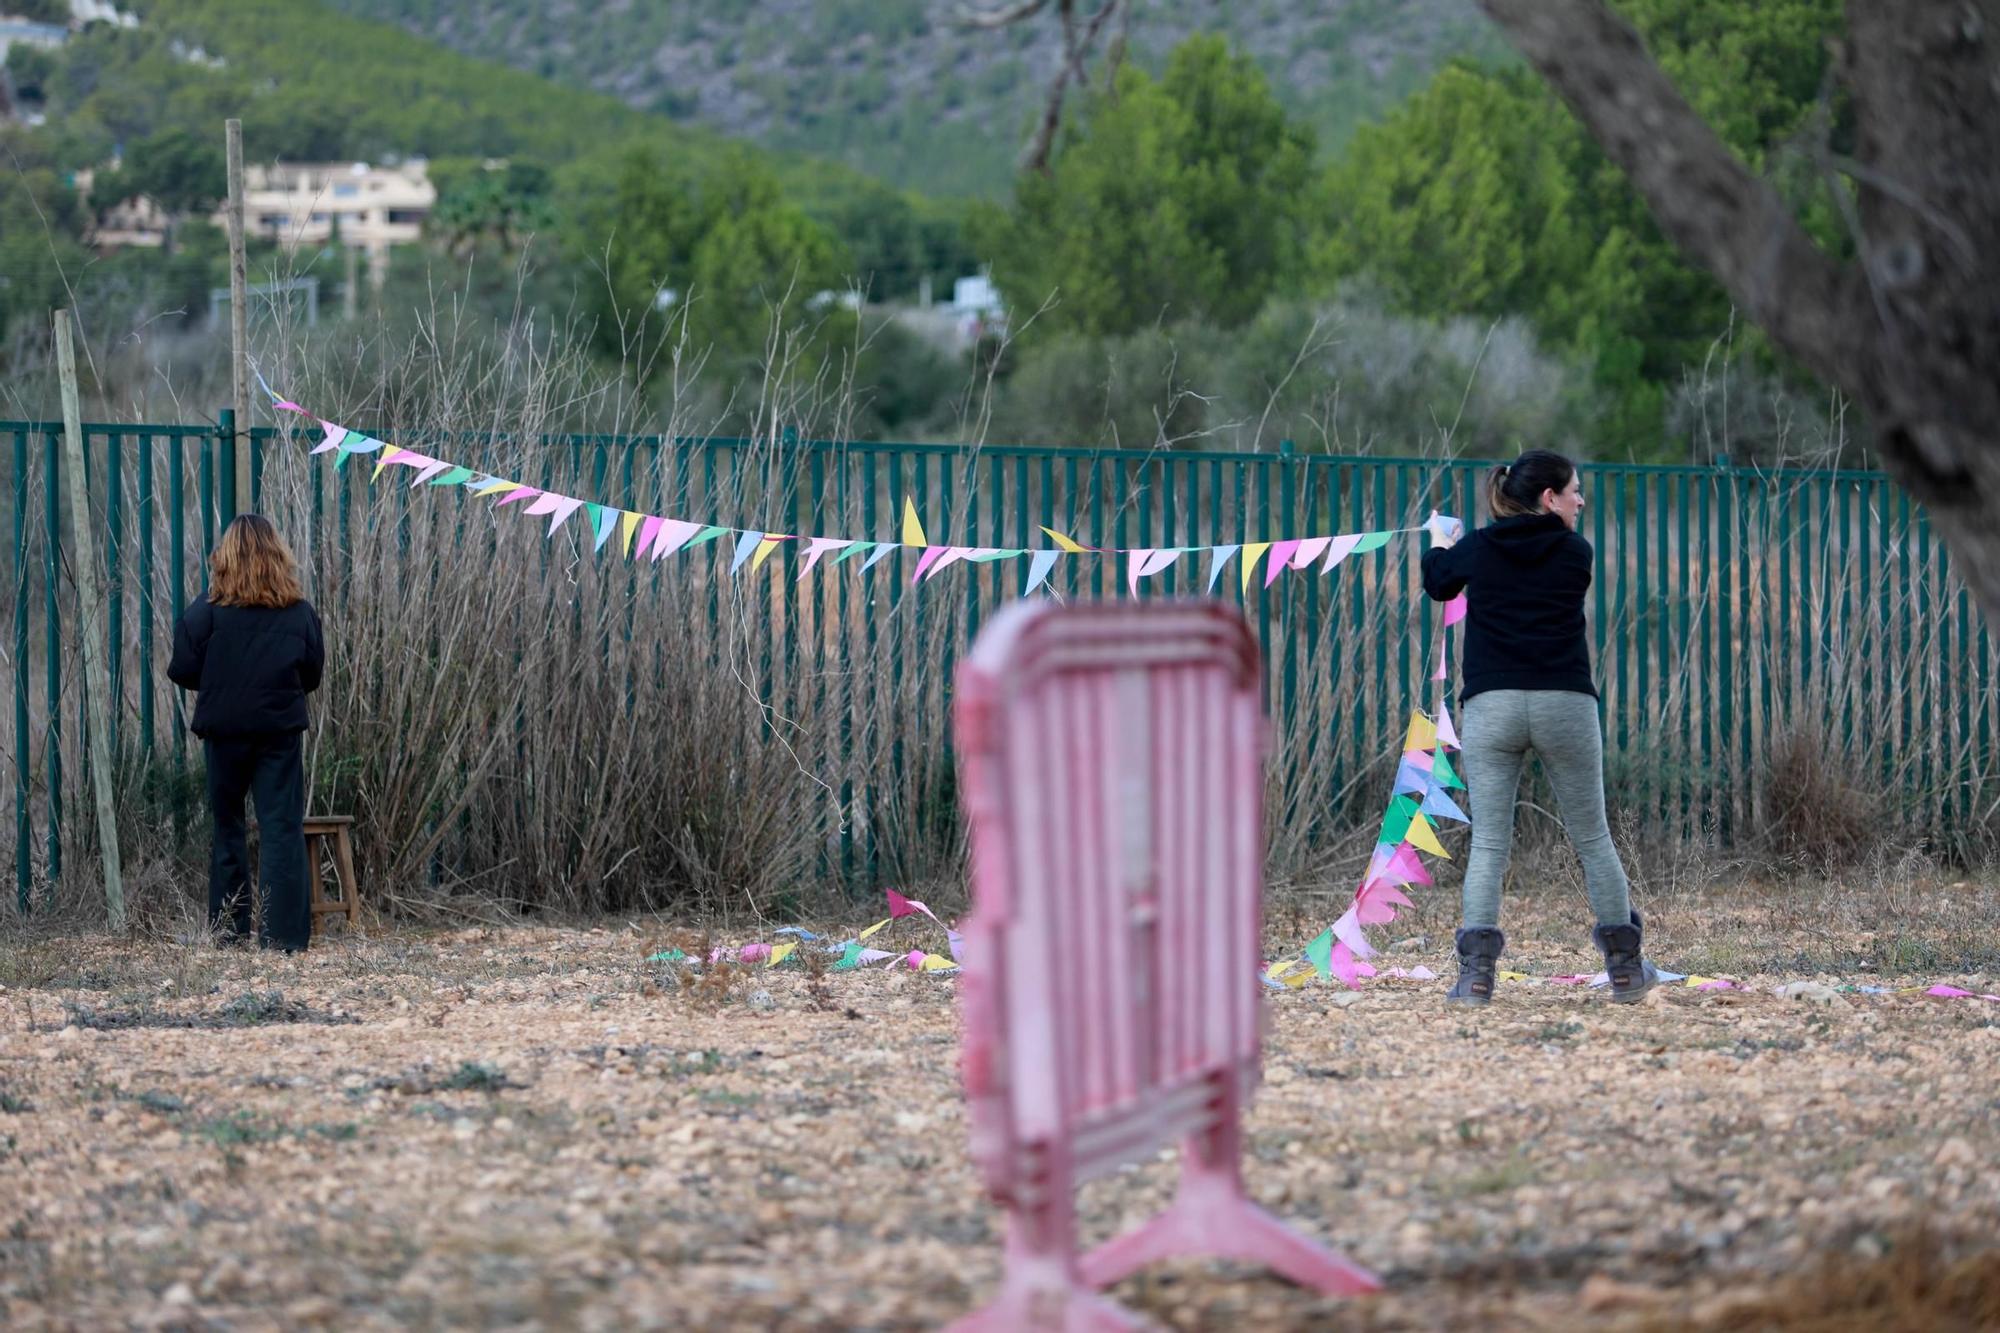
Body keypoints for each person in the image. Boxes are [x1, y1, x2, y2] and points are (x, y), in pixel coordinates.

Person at [1420, 450, 1658, 1005]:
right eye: (1574, 491)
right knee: (1593, 838)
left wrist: (1441, 539)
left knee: (1490, 844)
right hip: (1565, 704)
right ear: (1549, 499)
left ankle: (1475, 977)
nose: (1580, 501)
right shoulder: (1577, 553)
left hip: (1492, 707)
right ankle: (1625, 970)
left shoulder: (1477, 548)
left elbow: (1438, 583)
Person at [167, 515, 325, 953]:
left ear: (226, 556)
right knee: (281, 829)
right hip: (278, 732)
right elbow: (311, 673)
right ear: (278, 556)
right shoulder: (299, 613)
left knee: (227, 827)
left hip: (225, 731)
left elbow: (181, 667)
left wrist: (222, 682)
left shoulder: (206, 611)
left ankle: (228, 932)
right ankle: (283, 938)